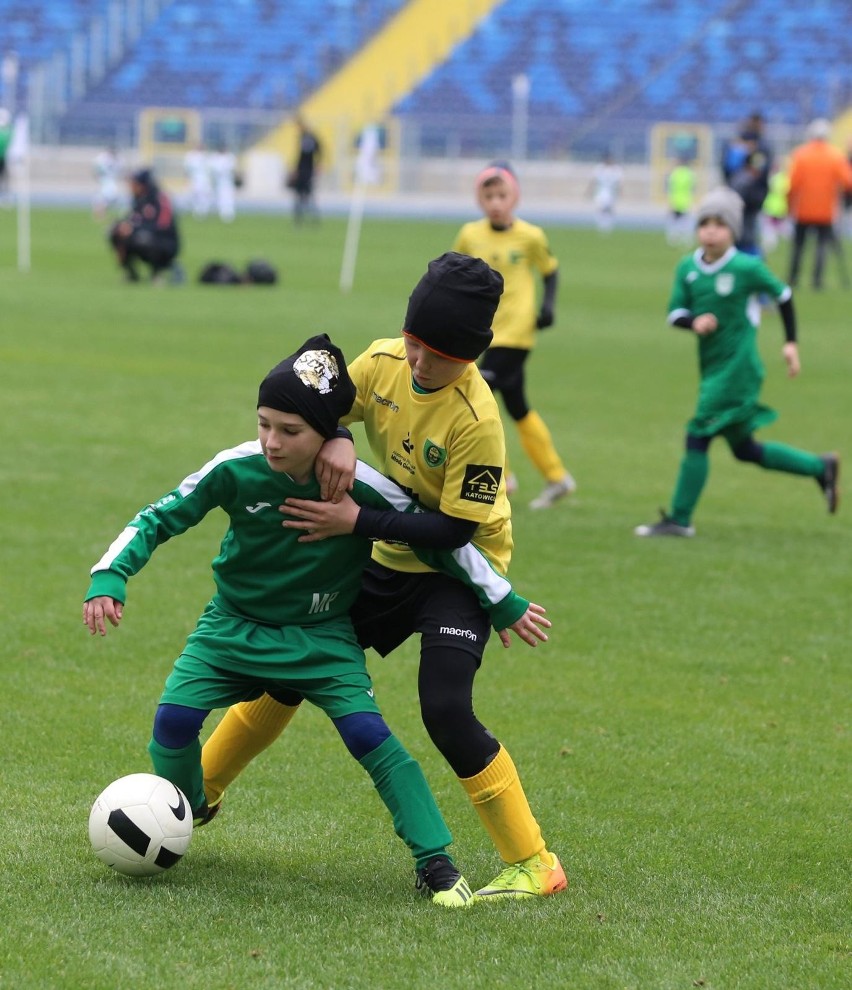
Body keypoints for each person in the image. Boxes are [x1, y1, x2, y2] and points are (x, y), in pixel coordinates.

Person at [82, 333, 544, 907]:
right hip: (231, 626)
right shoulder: (236, 468)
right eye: (264, 423)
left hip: (323, 638)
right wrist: (110, 576)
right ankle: (185, 808)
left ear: (325, 434)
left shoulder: (367, 489)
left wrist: (503, 599)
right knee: (173, 723)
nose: (272, 442)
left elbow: (447, 545)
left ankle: (436, 863)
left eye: (290, 431)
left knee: (370, 737)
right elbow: (158, 517)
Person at [202, 254, 569, 900]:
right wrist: (338, 435)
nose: (420, 363)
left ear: (474, 354)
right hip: (384, 558)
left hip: (460, 572)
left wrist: (355, 521)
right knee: (292, 661)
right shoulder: (382, 362)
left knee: (446, 709)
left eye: (438, 355)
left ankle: (535, 862)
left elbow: (454, 532)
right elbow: (316, 397)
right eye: (414, 344)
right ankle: (196, 792)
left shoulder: (477, 420)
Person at [635, 187, 840, 539]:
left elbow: (785, 297)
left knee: (697, 434)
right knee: (746, 450)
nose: (711, 231)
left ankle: (680, 519)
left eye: (719, 224)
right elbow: (675, 313)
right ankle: (819, 467)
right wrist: (693, 322)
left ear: (733, 230)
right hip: (713, 370)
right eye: (705, 223)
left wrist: (790, 344)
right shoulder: (688, 267)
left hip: (738, 371)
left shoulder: (746, 267)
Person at [452, 161, 577, 509]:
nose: (495, 202)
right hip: (483, 329)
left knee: (480, 398)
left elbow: (550, 271)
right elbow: (455, 272)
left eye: (501, 194)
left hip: (517, 331)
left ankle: (501, 480)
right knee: (517, 407)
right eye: (488, 195)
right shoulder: (470, 234)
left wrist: (548, 307)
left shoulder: (531, 236)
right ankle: (556, 477)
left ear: (515, 196)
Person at [786, 118, 852, 290]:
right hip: (825, 211)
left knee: (798, 246)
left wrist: (789, 204)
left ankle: (793, 278)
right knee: (821, 247)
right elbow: (848, 181)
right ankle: (817, 280)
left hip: (803, 209)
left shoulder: (801, 154)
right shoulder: (835, 156)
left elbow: (792, 184)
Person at [108, 168, 182, 283]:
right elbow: (132, 219)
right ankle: (131, 274)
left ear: (142, 185)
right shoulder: (138, 200)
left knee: (143, 239)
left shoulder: (160, 199)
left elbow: (162, 226)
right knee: (115, 233)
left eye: (134, 183)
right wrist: (121, 227)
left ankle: (157, 273)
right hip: (143, 236)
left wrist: (134, 229)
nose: (131, 186)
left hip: (165, 242)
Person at [722, 112, 773, 255]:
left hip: (747, 196)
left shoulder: (738, 145)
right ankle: (749, 263)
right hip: (748, 196)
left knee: (744, 233)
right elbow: (759, 171)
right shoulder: (757, 147)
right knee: (744, 234)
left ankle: (746, 262)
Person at [288, 115, 321, 224]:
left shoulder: (308, 138)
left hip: (306, 170)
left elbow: (307, 155)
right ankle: (303, 218)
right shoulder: (305, 137)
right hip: (305, 170)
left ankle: (308, 217)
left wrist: (317, 165)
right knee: (303, 194)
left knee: (305, 194)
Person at [588, 151, 623, 234]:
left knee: (609, 209)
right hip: (601, 192)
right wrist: (589, 190)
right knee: (600, 209)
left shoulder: (616, 169)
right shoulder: (599, 168)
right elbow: (594, 181)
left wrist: (621, 191)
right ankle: (601, 225)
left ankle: (608, 225)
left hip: (611, 193)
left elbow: (619, 182)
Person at [666, 155, 697, 246]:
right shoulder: (689, 174)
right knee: (686, 221)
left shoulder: (674, 173)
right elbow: (693, 187)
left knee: (673, 221)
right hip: (686, 199)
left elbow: (670, 186)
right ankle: (686, 239)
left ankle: (673, 238)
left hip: (675, 199)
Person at [92, 146, 122, 219]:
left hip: (108, 180)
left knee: (106, 198)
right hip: (105, 180)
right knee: (106, 198)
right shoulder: (102, 159)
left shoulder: (116, 160)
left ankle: (100, 213)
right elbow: (97, 169)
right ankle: (100, 214)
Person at [209, 143, 237, 222]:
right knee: (220, 198)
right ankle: (222, 214)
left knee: (229, 198)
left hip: (228, 182)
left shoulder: (230, 157)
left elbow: (232, 169)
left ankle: (229, 214)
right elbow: (213, 170)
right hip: (218, 182)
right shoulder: (214, 157)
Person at [183, 143, 212, 219]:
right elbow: (187, 169)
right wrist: (187, 178)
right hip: (195, 179)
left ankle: (203, 211)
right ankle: (196, 211)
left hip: (204, 179)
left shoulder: (206, 156)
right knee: (194, 195)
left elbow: (209, 169)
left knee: (205, 196)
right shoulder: (191, 156)